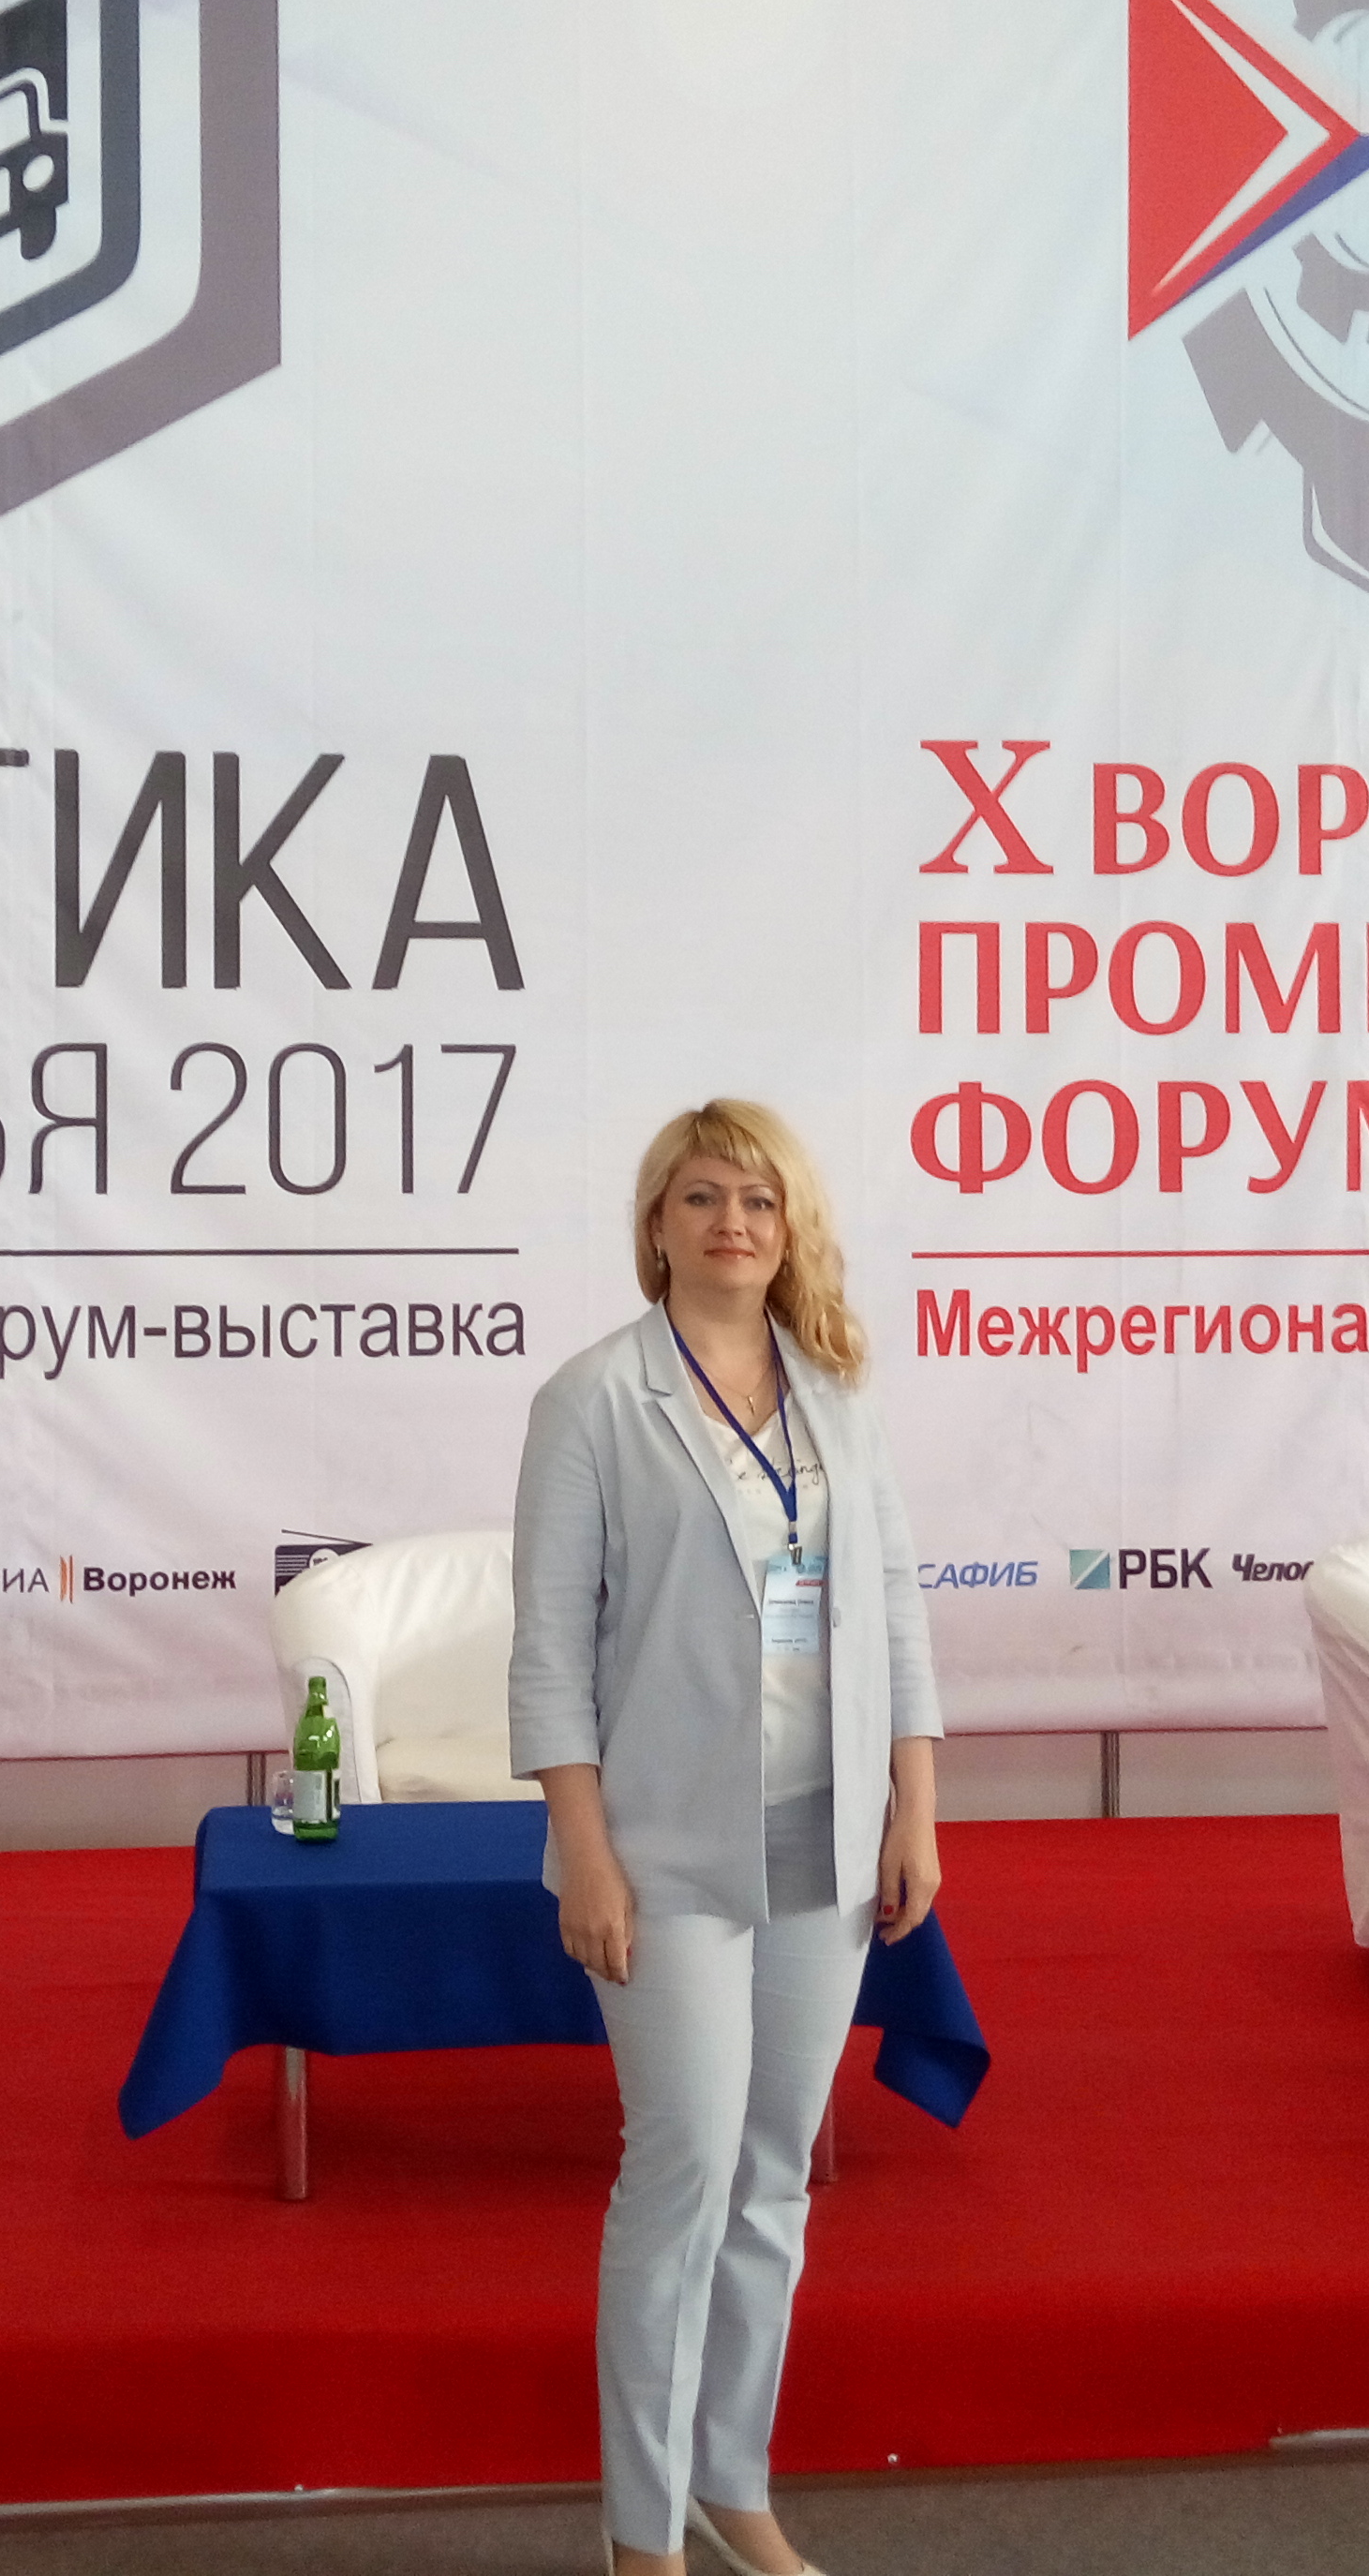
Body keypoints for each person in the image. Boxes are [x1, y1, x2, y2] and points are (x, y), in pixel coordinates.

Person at [510, 1100, 944, 2576]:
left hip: (827, 1838)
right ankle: (643, 2533)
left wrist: (913, 1807)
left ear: (789, 1224)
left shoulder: (838, 1394)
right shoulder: (592, 1400)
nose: (733, 1224)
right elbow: (548, 1655)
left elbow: (897, 1615)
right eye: (701, 1198)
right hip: (663, 1848)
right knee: (685, 2168)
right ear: (657, 1225)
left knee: (773, 2177)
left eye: (758, 1200)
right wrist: (586, 1851)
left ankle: (729, 2480)